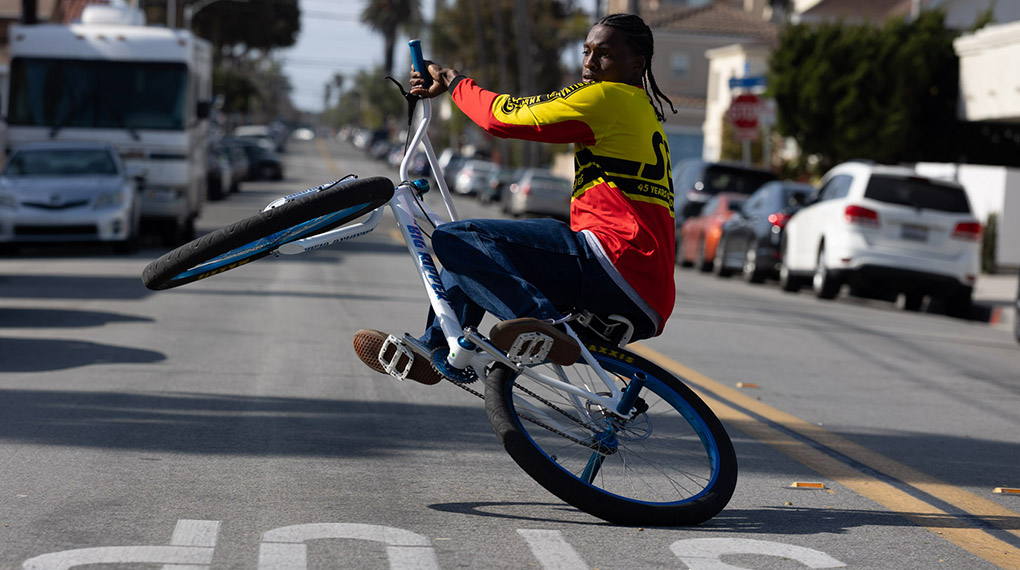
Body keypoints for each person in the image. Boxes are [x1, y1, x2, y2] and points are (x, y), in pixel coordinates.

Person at [353, 13, 677, 385]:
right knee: (471, 257)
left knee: (456, 238)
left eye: (603, 54)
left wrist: (452, 79)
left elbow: (502, 118)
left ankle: (538, 324)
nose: (589, 63)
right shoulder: (639, 110)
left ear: (636, 64)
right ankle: (436, 349)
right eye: (586, 51)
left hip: (616, 261)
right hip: (643, 288)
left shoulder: (608, 97)